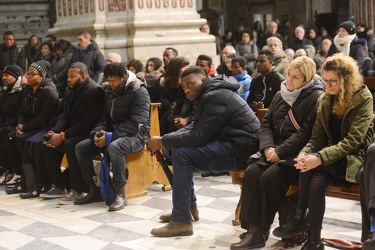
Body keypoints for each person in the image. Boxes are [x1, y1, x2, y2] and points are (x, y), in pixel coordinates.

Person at [273, 54, 374, 250]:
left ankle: (300, 217)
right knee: (314, 178)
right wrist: (305, 154)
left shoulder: (363, 98)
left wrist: (318, 158)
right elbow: (317, 137)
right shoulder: (325, 99)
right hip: (331, 157)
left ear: (346, 79)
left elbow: (353, 142)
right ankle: (314, 240)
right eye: (325, 80)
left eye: (332, 81)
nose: (327, 86)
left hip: (355, 159)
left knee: (312, 168)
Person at [146, 66, 260, 237]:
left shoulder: (216, 96)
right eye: (183, 87)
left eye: (190, 84)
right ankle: (186, 209)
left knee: (182, 153)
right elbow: (195, 126)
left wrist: (162, 141)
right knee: (179, 149)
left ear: (204, 80)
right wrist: (166, 139)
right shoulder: (208, 94)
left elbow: (198, 135)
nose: (186, 90)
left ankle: (181, 220)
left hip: (243, 151)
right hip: (233, 143)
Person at [231, 56, 324, 250]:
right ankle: (254, 230)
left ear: (306, 79)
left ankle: (262, 228)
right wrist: (267, 148)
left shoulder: (315, 97)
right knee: (252, 172)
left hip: (298, 154)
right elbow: (266, 124)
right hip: (273, 150)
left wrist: (279, 152)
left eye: (295, 77)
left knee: (270, 177)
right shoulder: (281, 94)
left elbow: (305, 133)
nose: (289, 80)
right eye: (289, 75)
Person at [74, 62, 150, 210]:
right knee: (80, 147)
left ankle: (120, 194)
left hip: (137, 136)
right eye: (109, 80)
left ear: (123, 77)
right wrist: (98, 132)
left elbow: (137, 122)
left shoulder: (138, 91)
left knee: (115, 147)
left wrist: (110, 136)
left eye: (114, 81)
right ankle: (94, 190)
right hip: (113, 133)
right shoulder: (108, 91)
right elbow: (104, 118)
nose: (111, 84)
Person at [39, 62, 105, 204]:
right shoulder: (71, 90)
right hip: (73, 131)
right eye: (68, 76)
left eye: (73, 76)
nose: (68, 79)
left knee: (70, 144)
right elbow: (65, 116)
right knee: (45, 142)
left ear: (84, 76)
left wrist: (63, 136)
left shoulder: (95, 90)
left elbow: (89, 122)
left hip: (90, 132)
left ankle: (77, 190)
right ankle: (59, 186)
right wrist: (55, 131)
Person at [1, 61, 59, 191]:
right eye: (28, 73)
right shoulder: (28, 89)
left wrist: (24, 127)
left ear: (41, 76)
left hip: (43, 126)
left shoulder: (48, 92)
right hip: (29, 125)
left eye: (32, 74)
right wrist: (21, 124)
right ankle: (21, 175)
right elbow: (22, 110)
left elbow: (44, 118)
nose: (29, 76)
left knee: (21, 140)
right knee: (11, 138)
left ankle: (30, 181)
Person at [0, 66, 25, 178]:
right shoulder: (5, 90)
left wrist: (3, 124)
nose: (4, 78)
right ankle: (5, 168)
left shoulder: (23, 90)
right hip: (7, 123)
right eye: (3, 75)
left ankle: (13, 170)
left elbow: (20, 113)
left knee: (5, 134)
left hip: (18, 123)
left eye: (7, 75)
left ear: (16, 76)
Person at [159, 57, 191, 135]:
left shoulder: (188, 81)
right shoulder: (166, 83)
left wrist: (178, 102)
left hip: (183, 111)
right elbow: (163, 98)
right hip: (169, 111)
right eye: (183, 67)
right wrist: (169, 105)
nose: (187, 68)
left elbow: (188, 98)